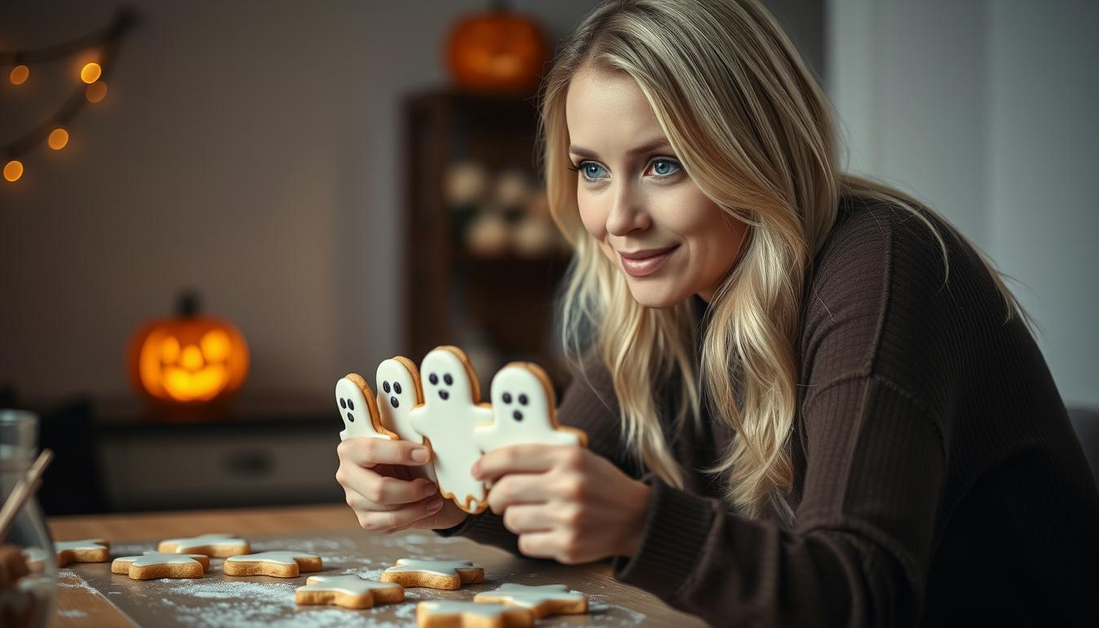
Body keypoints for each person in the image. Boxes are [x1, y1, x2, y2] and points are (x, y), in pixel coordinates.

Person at [336, 0, 1097, 624]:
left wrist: (638, 523)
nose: (617, 217)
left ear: (752, 150)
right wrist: (445, 496)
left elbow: (865, 595)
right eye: (592, 170)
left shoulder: (885, 264)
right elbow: (564, 508)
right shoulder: (664, 301)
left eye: (664, 164)